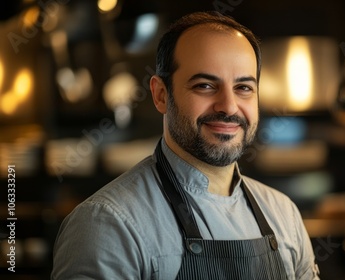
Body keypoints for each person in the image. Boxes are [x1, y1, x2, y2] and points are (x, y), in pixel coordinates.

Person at [52, 11, 320, 279]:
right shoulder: (107, 224)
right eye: (204, 85)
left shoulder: (284, 214)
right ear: (160, 95)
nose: (228, 106)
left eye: (244, 88)